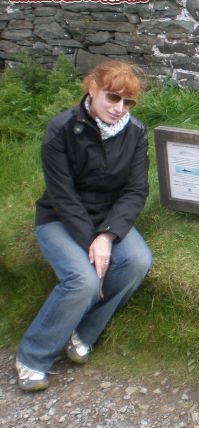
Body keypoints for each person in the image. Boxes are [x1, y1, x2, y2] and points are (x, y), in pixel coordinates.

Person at [15, 60, 153, 392]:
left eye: (128, 102)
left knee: (138, 261)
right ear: (92, 89)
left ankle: (83, 333)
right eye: (113, 98)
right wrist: (91, 241)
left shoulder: (135, 132)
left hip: (109, 217)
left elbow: (136, 190)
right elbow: (62, 195)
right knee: (83, 280)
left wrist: (107, 236)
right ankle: (32, 357)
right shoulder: (61, 129)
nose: (120, 109)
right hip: (60, 218)